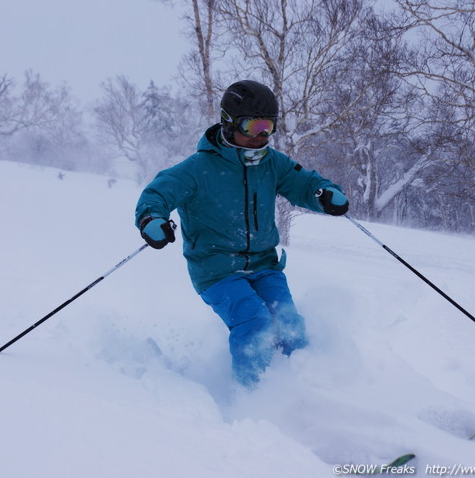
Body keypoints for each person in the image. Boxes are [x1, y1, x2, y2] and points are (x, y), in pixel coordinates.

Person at [134, 80, 349, 387]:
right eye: (253, 125)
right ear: (229, 122)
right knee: (255, 322)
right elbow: (158, 193)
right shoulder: (199, 168)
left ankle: (303, 392)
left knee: (290, 326)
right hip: (216, 269)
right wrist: (152, 219)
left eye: (268, 126)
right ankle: (253, 398)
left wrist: (324, 194)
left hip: (265, 265)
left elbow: (303, 183)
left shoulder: (272, 163)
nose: (262, 135)